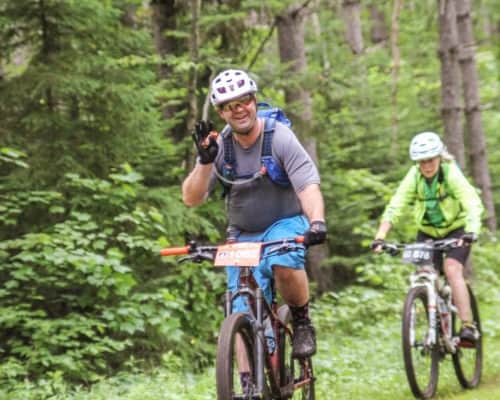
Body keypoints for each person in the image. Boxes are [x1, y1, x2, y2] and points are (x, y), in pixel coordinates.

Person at [182, 69, 327, 358]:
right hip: (243, 235)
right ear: (221, 112)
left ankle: (301, 322)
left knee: (283, 260)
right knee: (240, 311)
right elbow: (191, 199)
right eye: (229, 106)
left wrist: (317, 222)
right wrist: (204, 161)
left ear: (254, 99)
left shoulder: (279, 137)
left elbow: (308, 186)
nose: (239, 110)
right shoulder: (219, 145)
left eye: (244, 101)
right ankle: (249, 385)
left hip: (284, 222)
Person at [371, 131, 484, 343]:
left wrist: (471, 231)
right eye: (421, 162)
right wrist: (380, 236)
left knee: (452, 270)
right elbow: (396, 205)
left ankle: (468, 326)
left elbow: (471, 202)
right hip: (428, 233)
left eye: (430, 160)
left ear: (439, 156)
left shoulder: (450, 173)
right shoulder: (414, 176)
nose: (426, 166)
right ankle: (435, 322)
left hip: (457, 230)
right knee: (424, 273)